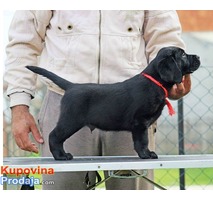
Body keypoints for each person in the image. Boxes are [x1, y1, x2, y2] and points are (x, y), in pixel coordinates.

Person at [4, 10, 191, 190]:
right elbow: (23, 42)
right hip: (67, 101)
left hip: (132, 104)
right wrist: (19, 105)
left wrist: (175, 76)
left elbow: (165, 37)